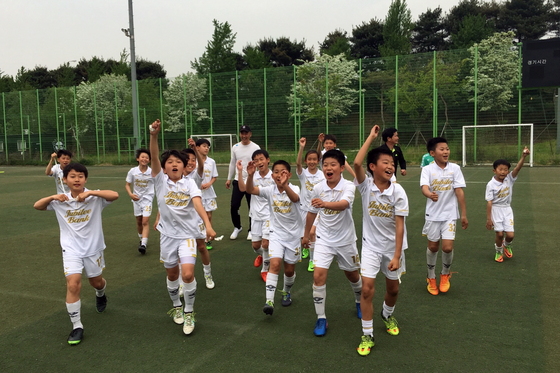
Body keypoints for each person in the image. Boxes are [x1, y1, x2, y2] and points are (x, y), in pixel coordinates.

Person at [34, 162, 119, 345]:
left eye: (80, 176)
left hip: (93, 249)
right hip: (70, 249)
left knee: (96, 282)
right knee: (73, 285)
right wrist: (52, 197)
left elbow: (115, 195)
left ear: (85, 179)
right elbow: (37, 206)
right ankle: (77, 326)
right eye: (72, 176)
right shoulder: (59, 200)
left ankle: (101, 293)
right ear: (65, 180)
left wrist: (91, 193)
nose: (77, 179)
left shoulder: (94, 198)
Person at [149, 119, 216, 335]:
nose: (174, 164)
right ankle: (176, 307)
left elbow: (197, 203)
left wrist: (207, 226)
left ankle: (189, 311)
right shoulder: (159, 180)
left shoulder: (189, 183)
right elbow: (154, 157)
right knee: (171, 276)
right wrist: (153, 136)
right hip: (167, 236)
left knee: (187, 275)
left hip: (188, 235)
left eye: (178, 161)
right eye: (170, 162)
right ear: (164, 166)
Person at [353, 125, 409, 356]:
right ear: (373, 167)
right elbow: (356, 164)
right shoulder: (365, 187)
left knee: (393, 290)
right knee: (367, 289)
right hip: (370, 247)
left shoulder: (398, 192)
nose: (390, 166)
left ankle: (387, 314)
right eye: (385, 162)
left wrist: (396, 255)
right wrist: (371, 137)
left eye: (392, 163)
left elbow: (399, 226)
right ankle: (367, 333)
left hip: (393, 248)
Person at [302, 149, 361, 337]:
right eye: (325, 165)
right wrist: (305, 235)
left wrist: (324, 204)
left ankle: (359, 301)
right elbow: (311, 212)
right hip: (324, 240)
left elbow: (344, 204)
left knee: (352, 275)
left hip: (345, 240)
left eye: (333, 164)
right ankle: (321, 318)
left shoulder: (348, 186)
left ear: (342, 168)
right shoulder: (318, 188)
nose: (328, 168)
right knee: (318, 277)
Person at [245, 159, 302, 316]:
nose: (278, 174)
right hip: (276, 234)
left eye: (282, 172)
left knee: (289, 270)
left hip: (293, 236)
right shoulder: (269, 190)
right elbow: (250, 190)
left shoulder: (295, 188)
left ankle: (286, 291)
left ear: (289, 174)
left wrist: (284, 186)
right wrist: (250, 176)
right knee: (275, 265)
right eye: (275, 172)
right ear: (272, 175)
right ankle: (269, 301)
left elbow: (295, 199)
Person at [421, 137, 468, 296]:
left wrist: (463, 214)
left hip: (449, 215)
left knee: (447, 247)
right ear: (432, 153)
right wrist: (429, 194)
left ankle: (445, 274)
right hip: (433, 215)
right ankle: (431, 276)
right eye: (442, 149)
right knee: (433, 247)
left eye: (447, 148)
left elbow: (459, 191)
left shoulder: (455, 168)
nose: (446, 151)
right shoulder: (427, 169)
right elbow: (424, 187)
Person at [485, 147, 530, 262]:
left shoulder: (509, 179)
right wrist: (488, 219)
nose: (503, 172)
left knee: (510, 235)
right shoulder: (490, 184)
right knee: (499, 234)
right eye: (500, 169)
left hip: (507, 209)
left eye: (505, 169)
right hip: (496, 209)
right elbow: (489, 202)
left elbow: (517, 168)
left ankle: (507, 245)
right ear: (494, 170)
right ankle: (498, 251)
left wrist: (523, 157)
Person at [237, 150, 274, 280]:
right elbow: (242, 189)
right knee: (256, 246)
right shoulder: (253, 175)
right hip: (255, 215)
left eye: (261, 159)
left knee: (265, 244)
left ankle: (265, 270)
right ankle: (262, 256)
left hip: (269, 215)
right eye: (256, 160)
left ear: (268, 160)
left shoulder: (273, 176)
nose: (259, 162)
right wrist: (241, 172)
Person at [226, 125, 260, 240]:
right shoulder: (235, 147)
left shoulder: (255, 147)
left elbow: (259, 163)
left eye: (246, 133)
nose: (244, 135)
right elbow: (232, 163)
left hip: (251, 180)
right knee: (234, 205)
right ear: (240, 134)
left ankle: (251, 230)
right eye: (242, 133)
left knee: (252, 206)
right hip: (238, 180)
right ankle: (237, 227)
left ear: (250, 134)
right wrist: (228, 178)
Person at [296, 137, 325, 272]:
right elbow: (297, 164)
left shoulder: (322, 175)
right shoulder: (303, 174)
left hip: (317, 210)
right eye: (309, 159)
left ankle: (313, 260)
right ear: (306, 161)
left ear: (318, 160)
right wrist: (302, 147)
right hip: (303, 208)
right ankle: (306, 248)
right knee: (304, 234)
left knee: (312, 233)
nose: (312, 161)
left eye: (315, 159)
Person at [125, 148, 155, 254]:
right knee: (138, 221)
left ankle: (143, 244)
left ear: (149, 160)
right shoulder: (133, 171)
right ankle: (141, 238)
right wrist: (130, 194)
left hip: (148, 199)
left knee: (145, 221)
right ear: (138, 158)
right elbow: (127, 185)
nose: (144, 159)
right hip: (136, 199)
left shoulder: (152, 172)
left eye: (147, 157)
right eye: (142, 157)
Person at [195, 138, 219, 250]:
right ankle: (198, 237)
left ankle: (207, 239)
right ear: (197, 147)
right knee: (198, 216)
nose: (206, 148)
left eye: (207, 146)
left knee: (208, 216)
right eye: (204, 146)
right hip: (197, 193)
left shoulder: (211, 161)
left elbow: (215, 176)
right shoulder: (193, 161)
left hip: (209, 193)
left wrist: (209, 183)